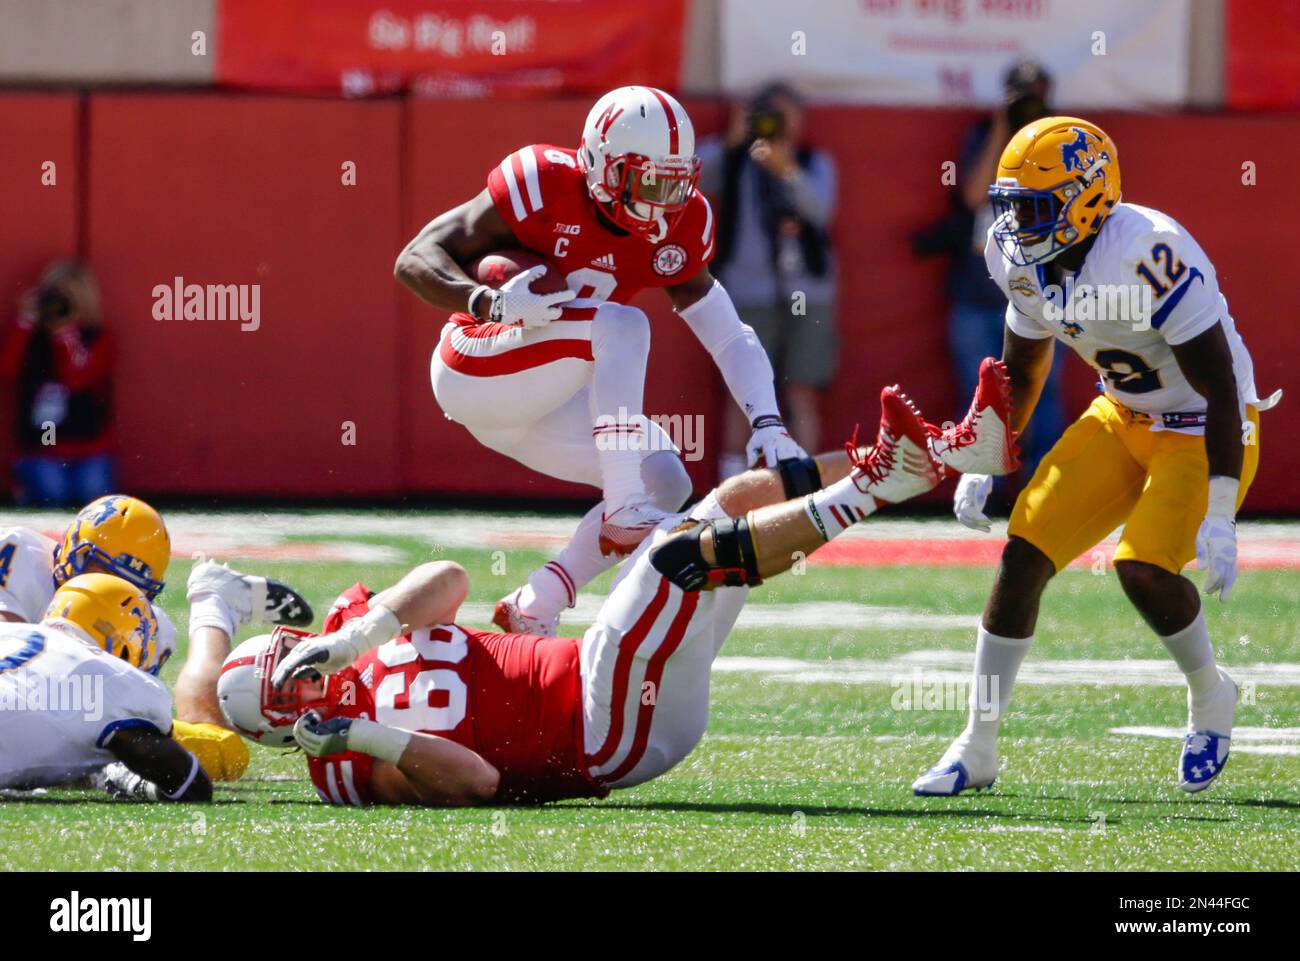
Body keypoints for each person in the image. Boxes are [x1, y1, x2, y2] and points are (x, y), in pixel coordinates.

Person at [214, 382, 1009, 807]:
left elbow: (448, 580)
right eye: (288, 689)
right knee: (675, 560)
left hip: (612, 680)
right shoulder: (341, 767)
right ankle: (878, 484)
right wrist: (362, 735)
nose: (305, 676)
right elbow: (478, 783)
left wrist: (357, 636)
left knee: (730, 501)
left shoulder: (353, 625)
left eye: (291, 660)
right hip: (601, 733)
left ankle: (939, 452)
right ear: (284, 729)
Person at [913, 117, 1281, 798]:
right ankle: (978, 744)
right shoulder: (1016, 253)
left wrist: (1223, 511)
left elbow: (1222, 385)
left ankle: (1210, 694)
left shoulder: (1151, 251)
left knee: (1141, 567)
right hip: (1122, 411)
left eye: (1035, 207)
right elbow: (1023, 370)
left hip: (1204, 421)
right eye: (1012, 205)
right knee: (1023, 552)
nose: (1016, 225)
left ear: (1086, 197)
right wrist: (981, 459)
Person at [394, 85, 804, 639]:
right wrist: (486, 301)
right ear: (604, 167)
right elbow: (414, 257)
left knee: (666, 478)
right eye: (651, 182)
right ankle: (623, 507)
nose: (666, 202)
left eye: (676, 183)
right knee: (624, 323)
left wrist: (769, 422)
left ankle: (536, 602)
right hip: (474, 365)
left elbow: (729, 335)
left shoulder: (680, 226)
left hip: (544, 400)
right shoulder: (541, 181)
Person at [0, 493, 312, 781]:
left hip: (80, 703)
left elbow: (107, 715)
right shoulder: (20, 556)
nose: (104, 585)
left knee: (224, 752)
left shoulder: (146, 625)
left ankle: (214, 605)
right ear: (71, 550)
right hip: (33, 696)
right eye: (96, 568)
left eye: (125, 582)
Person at [914, 60, 1066, 482]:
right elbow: (973, 195)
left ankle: (1044, 485)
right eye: (1021, 96)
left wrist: (1038, 131)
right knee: (981, 395)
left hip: (1039, 292)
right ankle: (986, 486)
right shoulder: (983, 135)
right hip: (977, 291)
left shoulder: (1059, 142)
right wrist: (1004, 127)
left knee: (1045, 391)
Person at [698, 82, 838, 478]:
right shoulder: (735, 160)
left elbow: (822, 209)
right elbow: (691, 178)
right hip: (746, 292)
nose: (774, 123)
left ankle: (803, 485)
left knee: (802, 391)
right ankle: (732, 484)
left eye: (783, 114)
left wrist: (786, 170)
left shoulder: (812, 161)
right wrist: (732, 139)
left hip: (809, 292)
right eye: (766, 114)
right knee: (741, 394)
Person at [0, 572, 210, 802]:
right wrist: (133, 783)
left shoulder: (10, 631)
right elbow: (190, 784)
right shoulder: (111, 675)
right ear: (127, 643)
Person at [1, 261, 116, 506]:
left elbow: (76, 378)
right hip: (44, 442)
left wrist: (65, 333)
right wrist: (25, 321)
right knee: (52, 494)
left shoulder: (98, 338)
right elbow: (7, 371)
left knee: (93, 496)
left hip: (87, 444)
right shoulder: (31, 337)